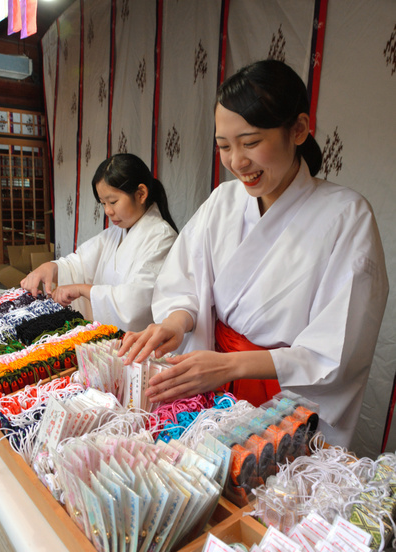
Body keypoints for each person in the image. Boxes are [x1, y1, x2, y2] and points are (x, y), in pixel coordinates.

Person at [118, 59, 388, 447]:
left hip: (285, 403)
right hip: (214, 386)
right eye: (224, 146)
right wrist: (176, 323)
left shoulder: (347, 216)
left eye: (251, 143)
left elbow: (337, 350)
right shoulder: (223, 201)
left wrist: (231, 365)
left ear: (297, 130)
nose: (236, 162)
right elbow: (186, 279)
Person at [21, 153, 178, 331]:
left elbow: (136, 302)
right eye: (103, 203)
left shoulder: (162, 238)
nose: (108, 211)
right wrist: (52, 267)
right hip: (109, 340)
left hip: (140, 343)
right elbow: (79, 264)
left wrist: (82, 290)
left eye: (113, 201)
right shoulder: (115, 233)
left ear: (141, 194)